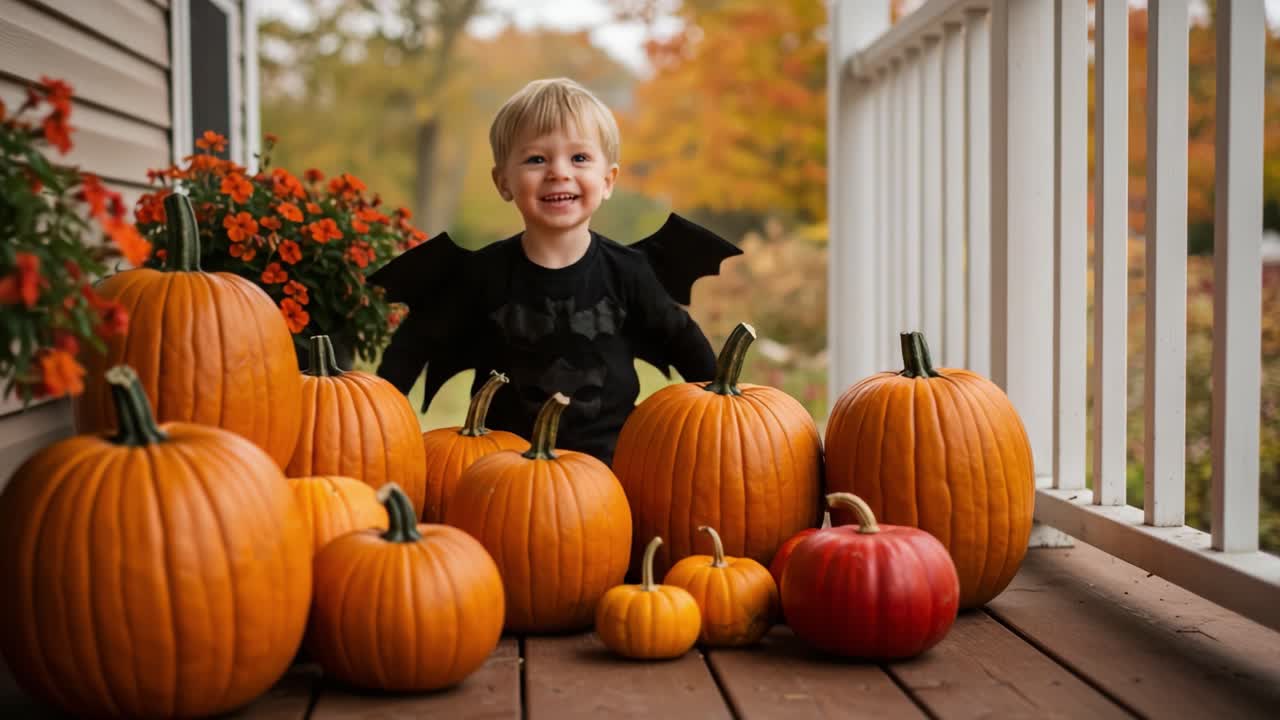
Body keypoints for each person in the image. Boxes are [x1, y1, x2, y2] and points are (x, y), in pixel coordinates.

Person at [373, 77, 739, 465]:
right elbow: (418, 339)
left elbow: (681, 339)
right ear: (503, 182)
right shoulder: (480, 275)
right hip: (504, 470)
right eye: (536, 159)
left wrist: (723, 414)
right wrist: (377, 417)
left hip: (613, 468)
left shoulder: (629, 272)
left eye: (579, 158)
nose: (558, 172)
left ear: (608, 180)